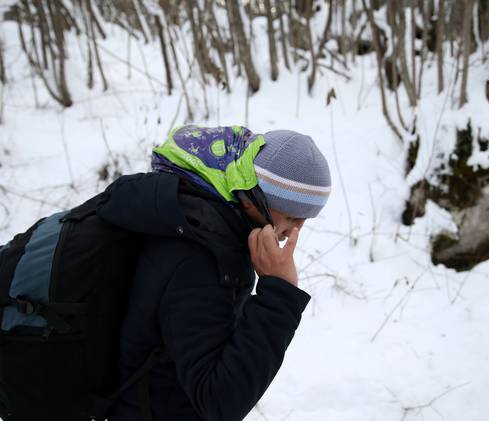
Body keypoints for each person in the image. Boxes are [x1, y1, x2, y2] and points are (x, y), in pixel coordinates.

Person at [99, 125, 331, 421]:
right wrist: (280, 297)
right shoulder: (199, 256)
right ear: (251, 198)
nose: (294, 231)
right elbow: (219, 401)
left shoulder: (199, 220)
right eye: (290, 216)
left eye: (304, 220)